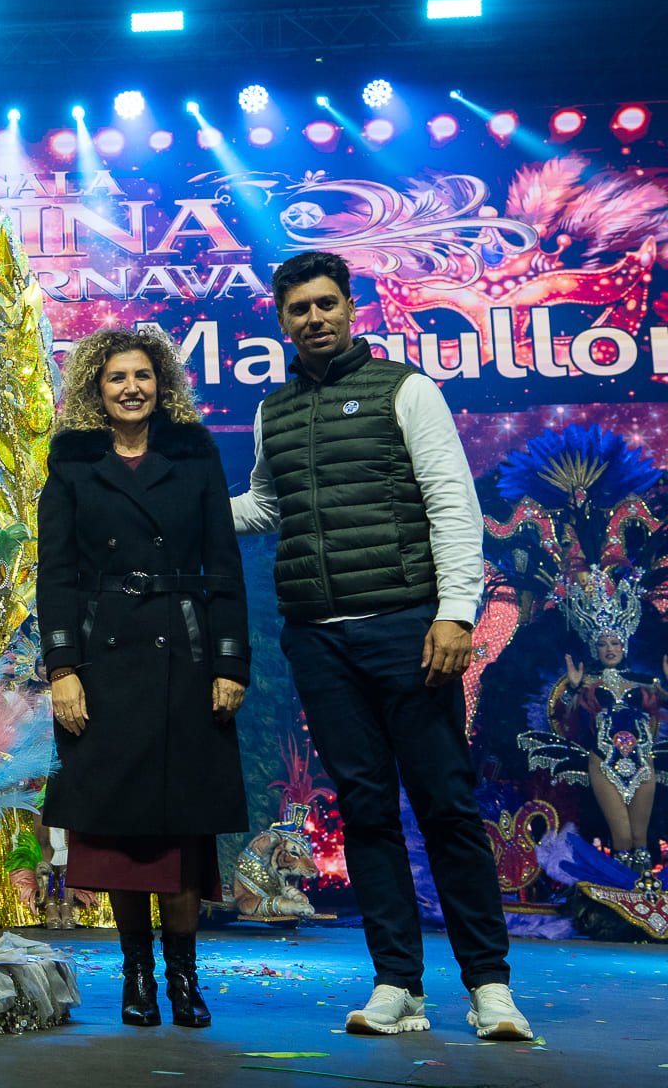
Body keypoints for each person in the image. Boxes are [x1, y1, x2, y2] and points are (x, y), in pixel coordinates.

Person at [232, 250, 534, 1040]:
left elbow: (453, 507)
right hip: (319, 642)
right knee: (364, 812)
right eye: (299, 309)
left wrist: (457, 614)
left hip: (410, 628)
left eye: (326, 303)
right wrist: (177, 508)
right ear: (282, 320)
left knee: (445, 805)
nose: (314, 318)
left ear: (351, 306)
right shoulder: (274, 410)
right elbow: (267, 505)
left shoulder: (406, 389)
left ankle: (490, 987)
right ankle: (399, 982)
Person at [37, 328, 249, 1028]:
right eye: (116, 378)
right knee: (122, 835)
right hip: (105, 665)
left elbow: (223, 564)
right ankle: (136, 976)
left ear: (162, 384)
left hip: (184, 664)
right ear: (97, 389)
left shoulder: (194, 455)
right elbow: (57, 575)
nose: (131, 388)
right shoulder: (72, 462)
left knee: (182, 832)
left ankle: (185, 978)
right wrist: (63, 668)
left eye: (143, 376)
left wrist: (229, 663)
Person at [519, 574, 666, 873]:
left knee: (641, 840)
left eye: (615, 642)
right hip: (602, 763)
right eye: (602, 644)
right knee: (622, 837)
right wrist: (573, 688)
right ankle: (619, 895)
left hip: (642, 763)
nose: (609, 648)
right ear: (594, 648)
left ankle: (643, 899)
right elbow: (563, 719)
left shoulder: (645, 684)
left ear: (624, 646)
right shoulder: (585, 684)